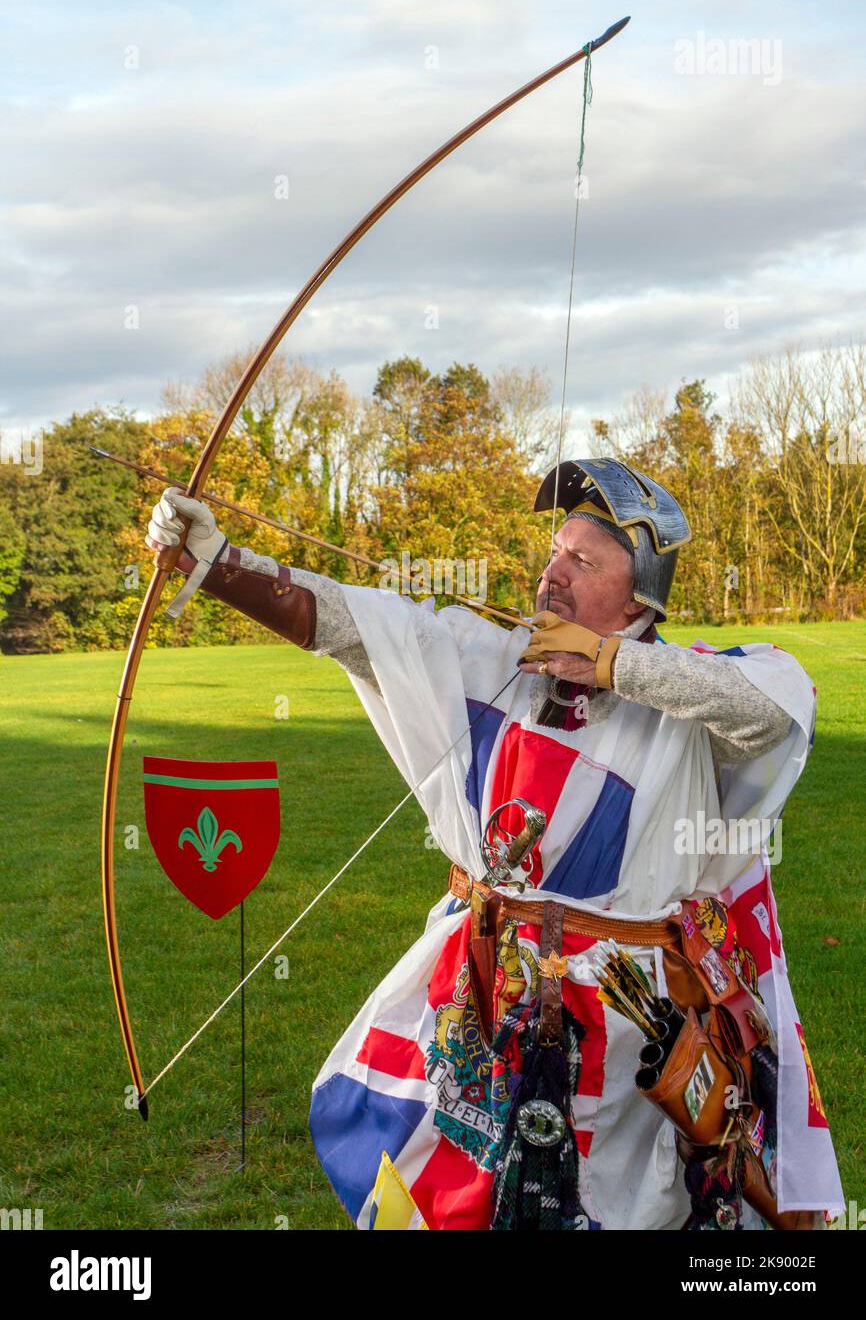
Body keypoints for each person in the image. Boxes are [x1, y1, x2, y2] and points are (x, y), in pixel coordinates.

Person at [146, 456, 843, 1230]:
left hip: (618, 1019)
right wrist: (215, 565)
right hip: (483, 987)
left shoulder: (691, 686)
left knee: (607, 1204)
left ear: (641, 588)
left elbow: (776, 706)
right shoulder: (492, 656)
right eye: (554, 552)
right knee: (460, 1192)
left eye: (583, 560)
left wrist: (610, 663)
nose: (553, 574)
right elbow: (352, 624)